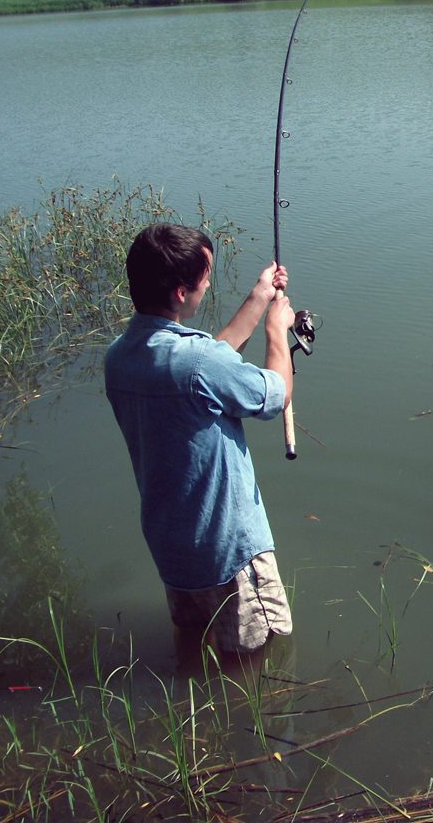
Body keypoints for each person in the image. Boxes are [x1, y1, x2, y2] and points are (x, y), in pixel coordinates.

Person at [105, 223, 296, 662]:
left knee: (193, 643)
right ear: (179, 293)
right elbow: (274, 395)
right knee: (254, 659)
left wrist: (259, 296)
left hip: (172, 547)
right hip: (229, 551)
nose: (209, 284)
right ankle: (243, 727)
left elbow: (207, 365)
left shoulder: (120, 358)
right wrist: (276, 331)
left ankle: (194, 719)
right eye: (205, 277)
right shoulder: (198, 365)